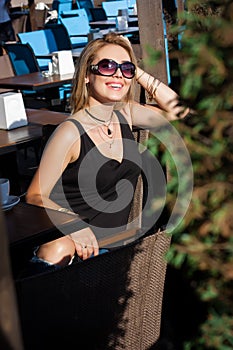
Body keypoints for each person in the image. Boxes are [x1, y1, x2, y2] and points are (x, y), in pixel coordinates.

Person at [25, 33, 189, 272]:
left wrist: (136, 72)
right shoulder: (70, 132)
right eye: (107, 66)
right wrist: (73, 226)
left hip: (114, 248)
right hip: (73, 249)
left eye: (125, 68)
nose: (118, 74)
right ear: (87, 76)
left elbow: (179, 112)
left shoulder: (126, 113)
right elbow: (36, 195)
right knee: (58, 249)